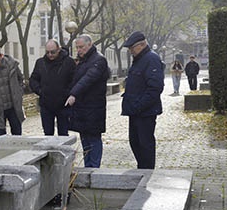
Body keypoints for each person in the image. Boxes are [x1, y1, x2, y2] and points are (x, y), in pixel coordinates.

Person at [120, 31, 164, 170]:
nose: (131, 51)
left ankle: (147, 172)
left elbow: (155, 88)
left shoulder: (151, 59)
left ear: (142, 45)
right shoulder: (140, 59)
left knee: (145, 144)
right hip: (135, 111)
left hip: (145, 112)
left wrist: (139, 105)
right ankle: (142, 169)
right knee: (135, 142)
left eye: (132, 48)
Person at [65, 34, 110, 168]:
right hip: (82, 108)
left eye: (81, 47)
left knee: (94, 138)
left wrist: (73, 94)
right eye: (77, 47)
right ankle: (87, 166)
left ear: (90, 45)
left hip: (94, 107)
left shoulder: (99, 60)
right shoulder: (82, 61)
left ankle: (94, 168)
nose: (79, 50)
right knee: (84, 138)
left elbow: (88, 79)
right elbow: (76, 80)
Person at [29, 39, 76, 136]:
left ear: (58, 49)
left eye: (53, 52)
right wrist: (40, 90)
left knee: (63, 134)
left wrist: (67, 93)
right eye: (47, 52)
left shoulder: (69, 62)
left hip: (64, 105)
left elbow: (74, 80)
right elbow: (33, 79)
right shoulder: (40, 63)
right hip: (46, 105)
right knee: (48, 134)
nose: (50, 55)